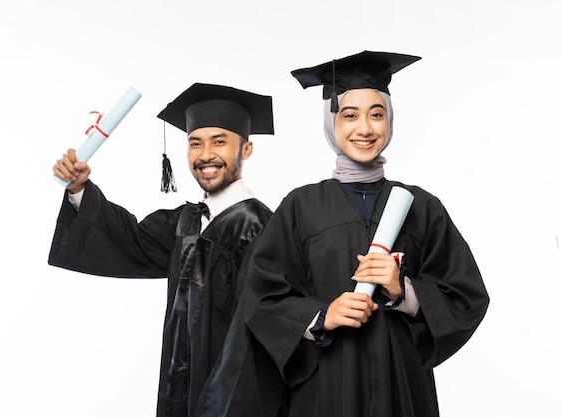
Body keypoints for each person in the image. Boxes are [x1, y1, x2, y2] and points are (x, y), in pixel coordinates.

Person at [230, 51, 489, 417]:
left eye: (376, 114)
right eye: (349, 115)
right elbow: (261, 298)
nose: (364, 128)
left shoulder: (422, 207)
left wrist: (405, 293)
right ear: (330, 122)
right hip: (325, 392)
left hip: (402, 388)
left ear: (390, 120)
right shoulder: (301, 207)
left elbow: (467, 297)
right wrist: (322, 315)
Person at [48, 82, 275, 417]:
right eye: (195, 143)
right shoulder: (184, 222)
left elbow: (263, 331)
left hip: (232, 401)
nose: (205, 154)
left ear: (246, 150)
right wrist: (79, 188)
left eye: (219, 142)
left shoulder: (262, 227)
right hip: (177, 392)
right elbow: (131, 243)